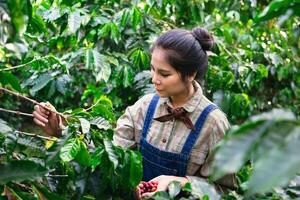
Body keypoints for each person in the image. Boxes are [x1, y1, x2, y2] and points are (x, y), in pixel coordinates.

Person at [33, 27, 237, 199]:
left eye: (164, 74)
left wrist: (179, 182)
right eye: (153, 69)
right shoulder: (145, 107)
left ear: (190, 74)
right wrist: (61, 132)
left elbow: (225, 191)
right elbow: (108, 154)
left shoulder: (213, 123)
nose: (154, 79)